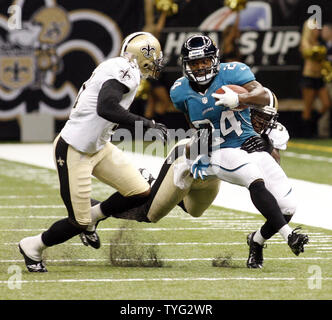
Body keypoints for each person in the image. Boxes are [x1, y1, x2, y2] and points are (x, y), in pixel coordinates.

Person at [18, 31, 169, 272]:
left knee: (139, 191)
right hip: (74, 150)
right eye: (155, 58)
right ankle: (33, 246)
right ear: (145, 57)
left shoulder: (121, 67)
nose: (157, 64)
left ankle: (95, 215)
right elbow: (106, 107)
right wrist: (146, 123)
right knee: (78, 222)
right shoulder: (125, 71)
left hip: (98, 147)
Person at [170, 34, 309, 266]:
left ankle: (256, 240)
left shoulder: (234, 71)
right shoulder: (180, 91)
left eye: (204, 61)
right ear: (187, 65)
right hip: (217, 148)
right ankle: (290, 236)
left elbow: (264, 96)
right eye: (195, 63)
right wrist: (200, 146)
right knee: (252, 176)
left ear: (214, 59)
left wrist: (240, 98)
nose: (201, 66)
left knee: (287, 206)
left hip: (246, 144)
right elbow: (191, 121)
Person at [300, 19, 331, 138]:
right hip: (309, 78)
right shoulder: (305, 44)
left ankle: (312, 124)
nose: (319, 31)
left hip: (319, 78)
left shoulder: (319, 44)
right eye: (316, 29)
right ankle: (305, 134)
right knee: (307, 109)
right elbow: (311, 54)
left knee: (326, 104)